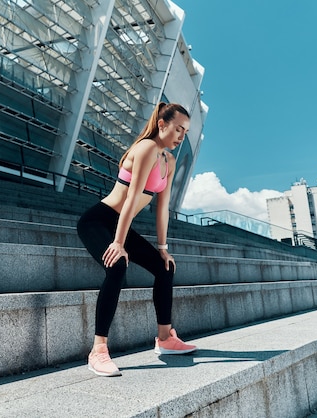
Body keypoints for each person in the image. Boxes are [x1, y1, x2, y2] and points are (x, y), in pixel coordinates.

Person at [77, 102, 197, 377]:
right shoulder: (146, 149)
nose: (181, 136)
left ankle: (165, 339)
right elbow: (131, 198)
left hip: (120, 223)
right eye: (178, 128)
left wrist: (163, 249)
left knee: (164, 267)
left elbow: (162, 208)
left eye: (186, 132)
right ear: (162, 124)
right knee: (117, 266)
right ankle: (98, 351)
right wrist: (118, 244)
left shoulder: (169, 160)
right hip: (99, 220)